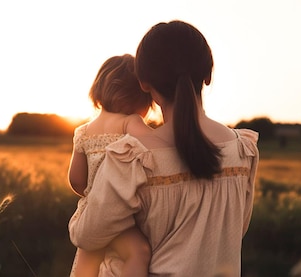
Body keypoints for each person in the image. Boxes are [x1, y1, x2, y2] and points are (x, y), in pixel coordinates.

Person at [69, 20, 260, 276]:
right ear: (207, 74)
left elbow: (87, 236)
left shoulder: (133, 159)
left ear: (144, 84)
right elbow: (236, 230)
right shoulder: (242, 152)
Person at [68, 54, 153, 277]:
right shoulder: (129, 123)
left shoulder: (83, 131)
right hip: (115, 217)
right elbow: (157, 147)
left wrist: (93, 197)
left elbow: (76, 180)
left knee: (86, 262)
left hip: (89, 217)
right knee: (140, 252)